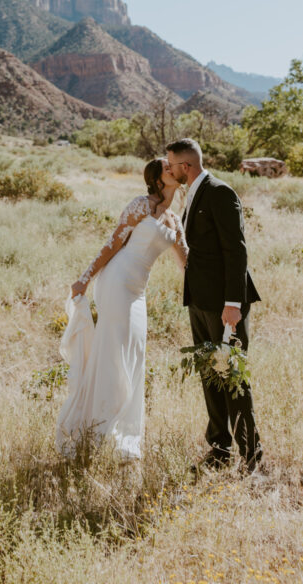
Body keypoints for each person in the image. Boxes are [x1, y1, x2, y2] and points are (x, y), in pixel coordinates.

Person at [55, 159, 188, 460]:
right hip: (116, 282)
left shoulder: (175, 220)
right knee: (115, 353)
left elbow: (186, 265)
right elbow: (112, 243)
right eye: (167, 167)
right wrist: (84, 279)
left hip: (138, 291)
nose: (173, 169)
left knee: (134, 353)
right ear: (157, 178)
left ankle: (122, 434)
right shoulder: (141, 205)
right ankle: (98, 429)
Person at [165, 137, 263, 474]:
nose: (169, 169)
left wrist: (233, 303)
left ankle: (251, 457)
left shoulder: (220, 192)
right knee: (210, 375)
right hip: (201, 302)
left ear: (186, 166)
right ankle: (220, 448)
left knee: (233, 376)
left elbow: (236, 250)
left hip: (225, 305)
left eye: (171, 164)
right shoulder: (192, 192)